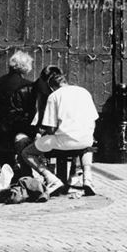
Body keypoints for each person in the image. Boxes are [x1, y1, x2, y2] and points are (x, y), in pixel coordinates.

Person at [20, 69, 99, 197]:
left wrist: (42, 135)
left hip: (63, 142)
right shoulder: (84, 92)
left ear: (52, 87)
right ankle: (88, 179)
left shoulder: (54, 96)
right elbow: (94, 118)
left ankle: (52, 179)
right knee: (85, 144)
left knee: (27, 152)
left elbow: (50, 128)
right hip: (86, 139)